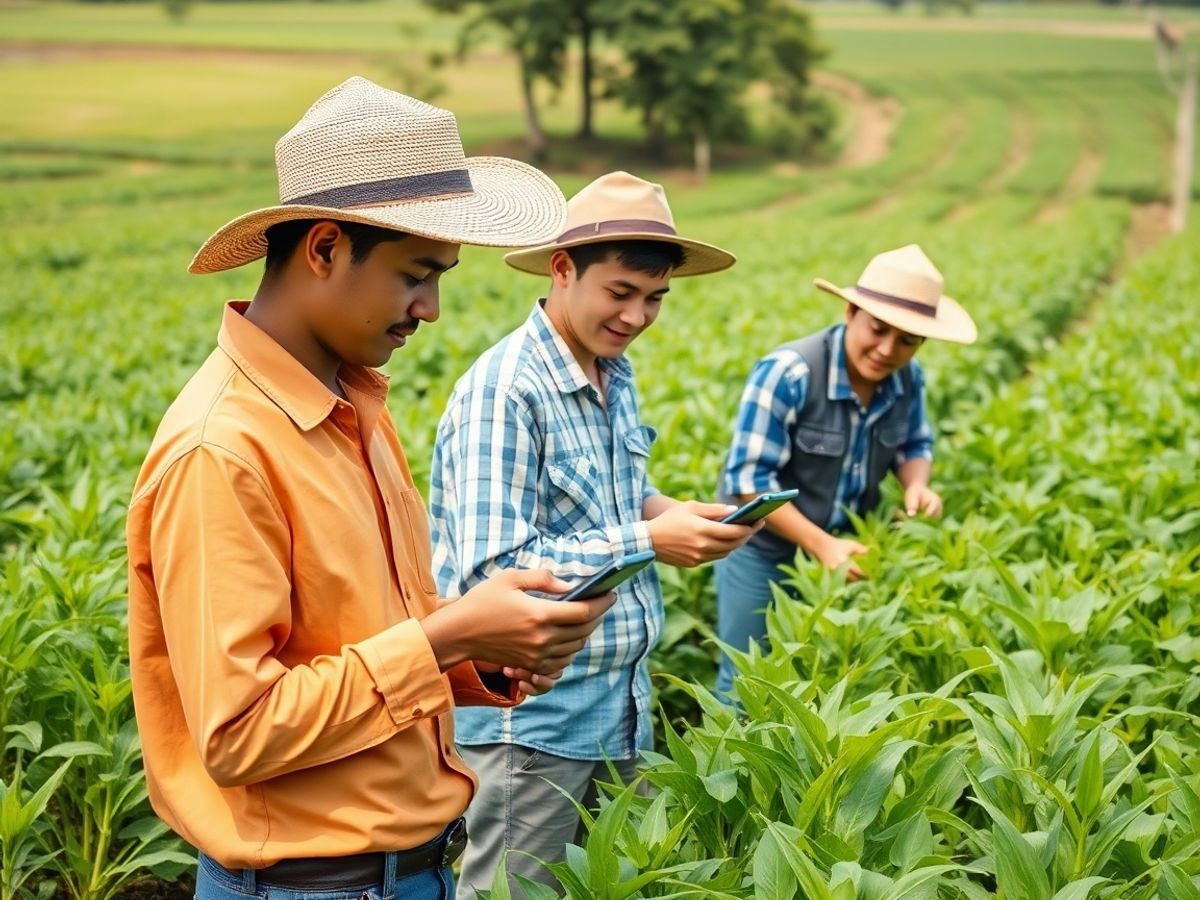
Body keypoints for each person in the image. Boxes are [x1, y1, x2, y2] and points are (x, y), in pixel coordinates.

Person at [126, 76, 616, 900]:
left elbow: (351, 640)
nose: (430, 309)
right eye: (416, 274)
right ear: (324, 249)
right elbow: (240, 733)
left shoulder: (354, 404)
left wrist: (474, 656)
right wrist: (443, 639)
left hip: (403, 873)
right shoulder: (223, 450)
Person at [428, 171, 756, 897]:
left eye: (655, 299)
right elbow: (496, 574)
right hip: (533, 725)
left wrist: (673, 513)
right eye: (621, 293)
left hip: (620, 706)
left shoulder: (612, 370)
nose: (638, 316)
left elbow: (613, 498)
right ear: (563, 269)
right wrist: (650, 542)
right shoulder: (505, 391)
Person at [714, 244, 977, 698]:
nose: (887, 350)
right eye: (878, 330)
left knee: (826, 680)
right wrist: (822, 545)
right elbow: (747, 484)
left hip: (845, 549)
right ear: (851, 310)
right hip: (763, 548)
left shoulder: (907, 379)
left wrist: (917, 486)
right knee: (748, 682)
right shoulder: (789, 372)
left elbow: (914, 442)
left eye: (908, 341)